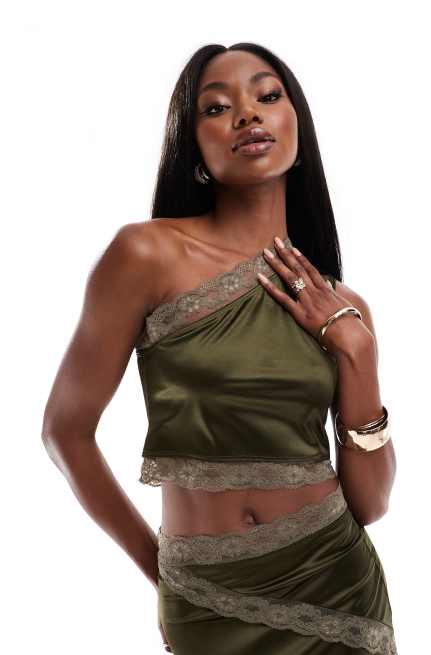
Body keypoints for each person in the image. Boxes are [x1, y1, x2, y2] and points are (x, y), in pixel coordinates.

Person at [42, 42, 398, 655]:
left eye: (267, 96)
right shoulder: (145, 255)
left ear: (297, 128)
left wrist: (358, 355)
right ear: (194, 148)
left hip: (336, 586)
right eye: (216, 107)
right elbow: (65, 432)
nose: (247, 114)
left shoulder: (343, 305)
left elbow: (370, 503)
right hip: (204, 599)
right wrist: (165, 574)